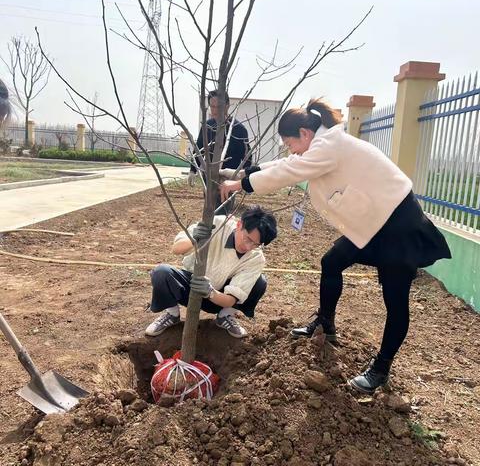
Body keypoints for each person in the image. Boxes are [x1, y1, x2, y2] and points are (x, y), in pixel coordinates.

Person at [219, 98, 451, 394]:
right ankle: (325, 324)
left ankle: (381, 368)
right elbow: (288, 163)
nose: (290, 150)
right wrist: (245, 173)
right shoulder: (320, 144)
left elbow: (289, 171)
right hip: (371, 223)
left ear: (304, 133)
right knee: (331, 262)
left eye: (291, 143)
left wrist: (241, 185)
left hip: (398, 223)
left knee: (395, 299)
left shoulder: (329, 146)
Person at [145, 206, 277, 338]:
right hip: (190, 285)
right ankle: (172, 314)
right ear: (239, 225)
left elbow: (231, 299)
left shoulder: (256, 258)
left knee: (260, 282)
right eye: (247, 239)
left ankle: (225, 316)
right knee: (162, 272)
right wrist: (194, 239)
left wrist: (210, 292)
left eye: (256, 244)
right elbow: (176, 249)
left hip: (217, 297)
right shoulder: (217, 225)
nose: (248, 247)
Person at [188, 90, 252, 214]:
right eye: (212, 106)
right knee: (208, 212)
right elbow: (199, 148)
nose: (215, 110)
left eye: (219, 107)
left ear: (227, 105)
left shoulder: (239, 129)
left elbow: (246, 157)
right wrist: (192, 169)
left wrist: (245, 180)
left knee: (222, 215)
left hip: (228, 180)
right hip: (209, 177)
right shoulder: (207, 127)